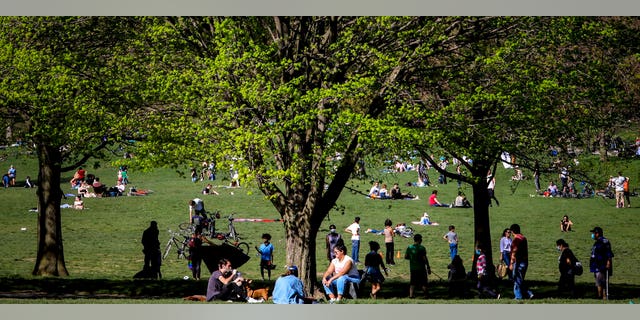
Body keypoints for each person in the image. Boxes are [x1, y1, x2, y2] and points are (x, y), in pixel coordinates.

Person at [509, 223, 534, 300]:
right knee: (519, 279)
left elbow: (514, 251)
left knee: (516, 278)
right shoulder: (523, 238)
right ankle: (528, 294)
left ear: (512, 231)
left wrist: (511, 263)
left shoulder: (516, 239)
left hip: (518, 262)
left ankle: (519, 296)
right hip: (525, 261)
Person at [589, 226, 614, 301]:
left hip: (601, 265)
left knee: (601, 282)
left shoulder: (604, 241)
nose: (593, 235)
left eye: (594, 233)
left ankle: (603, 297)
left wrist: (608, 262)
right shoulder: (597, 242)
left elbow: (608, 252)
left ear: (597, 233)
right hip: (596, 265)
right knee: (599, 282)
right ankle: (600, 296)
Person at [404, 234, 431, 298]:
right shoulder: (422, 248)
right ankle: (425, 295)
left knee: (412, 282)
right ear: (420, 240)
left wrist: (412, 258)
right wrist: (428, 267)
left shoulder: (409, 247)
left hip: (413, 268)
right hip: (421, 268)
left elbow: (406, 257)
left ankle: (411, 295)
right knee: (424, 282)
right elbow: (425, 258)